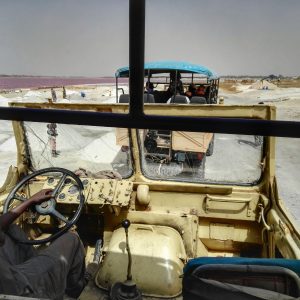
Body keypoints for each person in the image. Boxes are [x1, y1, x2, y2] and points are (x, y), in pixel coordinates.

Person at [0, 189, 88, 299]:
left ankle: (34, 260)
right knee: (71, 238)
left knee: (12, 229)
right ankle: (75, 290)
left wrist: (30, 200)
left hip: (6, 274)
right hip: (20, 289)